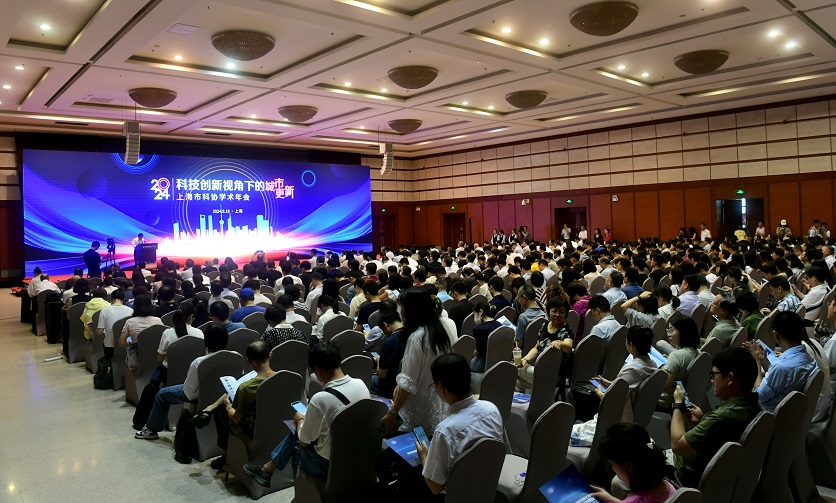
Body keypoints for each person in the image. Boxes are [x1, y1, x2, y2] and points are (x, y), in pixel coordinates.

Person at [243, 342, 370, 485]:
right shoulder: (361, 384)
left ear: (318, 370)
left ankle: (294, 487)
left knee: (296, 440)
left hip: (327, 463)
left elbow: (303, 441)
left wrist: (300, 420)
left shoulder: (320, 399)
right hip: (357, 453)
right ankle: (267, 469)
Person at [415, 353, 503, 498]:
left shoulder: (445, 431)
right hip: (488, 486)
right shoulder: (492, 409)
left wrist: (424, 457)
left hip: (457, 495)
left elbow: (435, 487)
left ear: (441, 387)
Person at [670, 348, 762, 488]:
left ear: (730, 378)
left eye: (715, 375)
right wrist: (703, 420)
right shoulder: (756, 406)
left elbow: (677, 446)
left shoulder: (720, 418)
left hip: (687, 478)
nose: (712, 381)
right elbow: (725, 433)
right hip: (726, 478)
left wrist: (677, 404)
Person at [191, 340, 276, 471]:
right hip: (273, 423)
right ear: (270, 355)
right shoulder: (281, 378)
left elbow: (236, 418)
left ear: (249, 361)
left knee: (222, 412)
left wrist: (228, 407)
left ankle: (226, 454)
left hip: (250, 430)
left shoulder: (246, 387)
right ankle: (210, 409)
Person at [135, 324, 229, 440]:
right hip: (223, 394)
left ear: (206, 342)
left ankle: (151, 430)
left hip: (198, 394)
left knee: (161, 395)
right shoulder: (235, 356)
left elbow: (189, 392)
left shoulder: (199, 362)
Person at [381, 288, 455, 435]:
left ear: (410, 310)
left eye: (402, 306)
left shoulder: (418, 337)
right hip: (439, 399)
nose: (400, 311)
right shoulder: (440, 331)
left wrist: (393, 412)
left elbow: (408, 383)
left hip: (420, 403)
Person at [743, 311, 819, 412]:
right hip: (792, 413)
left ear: (776, 335)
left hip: (768, 415)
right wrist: (764, 360)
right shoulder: (810, 359)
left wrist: (757, 362)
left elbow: (759, 395)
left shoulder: (781, 367)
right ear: (801, 332)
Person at [592, 423, 676, 503]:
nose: (613, 469)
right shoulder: (666, 485)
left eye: (612, 464)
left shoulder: (633, 500)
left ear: (628, 466)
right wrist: (610, 499)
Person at [591, 327, 657, 421]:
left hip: (619, 418)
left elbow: (614, 400)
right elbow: (628, 384)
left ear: (631, 345)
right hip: (638, 413)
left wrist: (600, 394)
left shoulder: (632, 368)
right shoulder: (652, 364)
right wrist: (608, 383)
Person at [516, 297, 574, 397]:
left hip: (555, 374)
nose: (557, 315)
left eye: (561, 312)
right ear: (548, 311)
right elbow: (537, 347)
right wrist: (525, 359)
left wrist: (560, 343)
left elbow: (569, 346)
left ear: (566, 314)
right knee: (517, 372)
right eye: (554, 311)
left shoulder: (566, 331)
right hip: (541, 368)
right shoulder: (544, 325)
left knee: (516, 373)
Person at [657, 315, 700, 409]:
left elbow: (665, 386)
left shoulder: (676, 356)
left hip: (666, 402)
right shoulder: (697, 352)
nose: (668, 334)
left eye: (672, 330)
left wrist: (662, 367)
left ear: (684, 332)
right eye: (668, 330)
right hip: (684, 399)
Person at [118, 294, 164, 370]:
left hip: (137, 358)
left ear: (135, 306)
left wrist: (131, 343)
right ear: (150, 305)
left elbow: (121, 343)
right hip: (155, 357)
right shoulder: (158, 320)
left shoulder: (130, 322)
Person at [372, 311, 407, 398]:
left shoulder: (390, 342)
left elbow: (382, 374)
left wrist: (379, 361)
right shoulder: (412, 334)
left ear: (385, 325)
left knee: (370, 380)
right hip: (406, 382)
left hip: (391, 386)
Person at [96, 289, 133, 359]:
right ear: (123, 299)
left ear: (111, 299)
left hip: (109, 346)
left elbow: (100, 332)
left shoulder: (104, 311)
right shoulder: (131, 311)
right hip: (126, 345)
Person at [469, 302, 502, 373]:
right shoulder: (499, 325)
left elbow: (477, 351)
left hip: (482, 364)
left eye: (475, 314)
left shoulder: (478, 329)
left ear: (480, 312)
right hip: (498, 361)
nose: (475, 317)